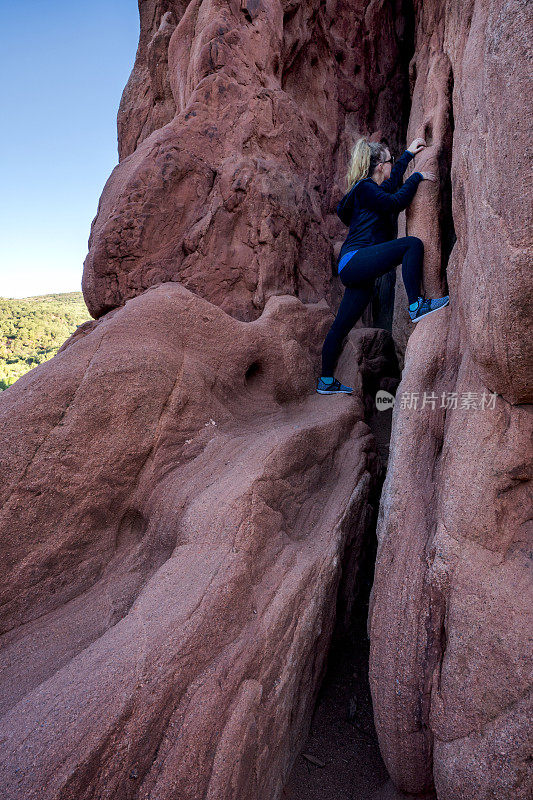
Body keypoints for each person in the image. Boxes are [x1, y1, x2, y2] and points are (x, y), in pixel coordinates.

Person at [317, 137, 450, 395]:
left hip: (354, 268)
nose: (391, 166)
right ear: (379, 165)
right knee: (411, 245)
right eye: (389, 161)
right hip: (355, 260)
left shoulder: (368, 189)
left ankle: (325, 382)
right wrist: (417, 177)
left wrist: (408, 155)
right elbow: (394, 202)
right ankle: (417, 306)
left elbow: (390, 185)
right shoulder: (365, 188)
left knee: (340, 327)